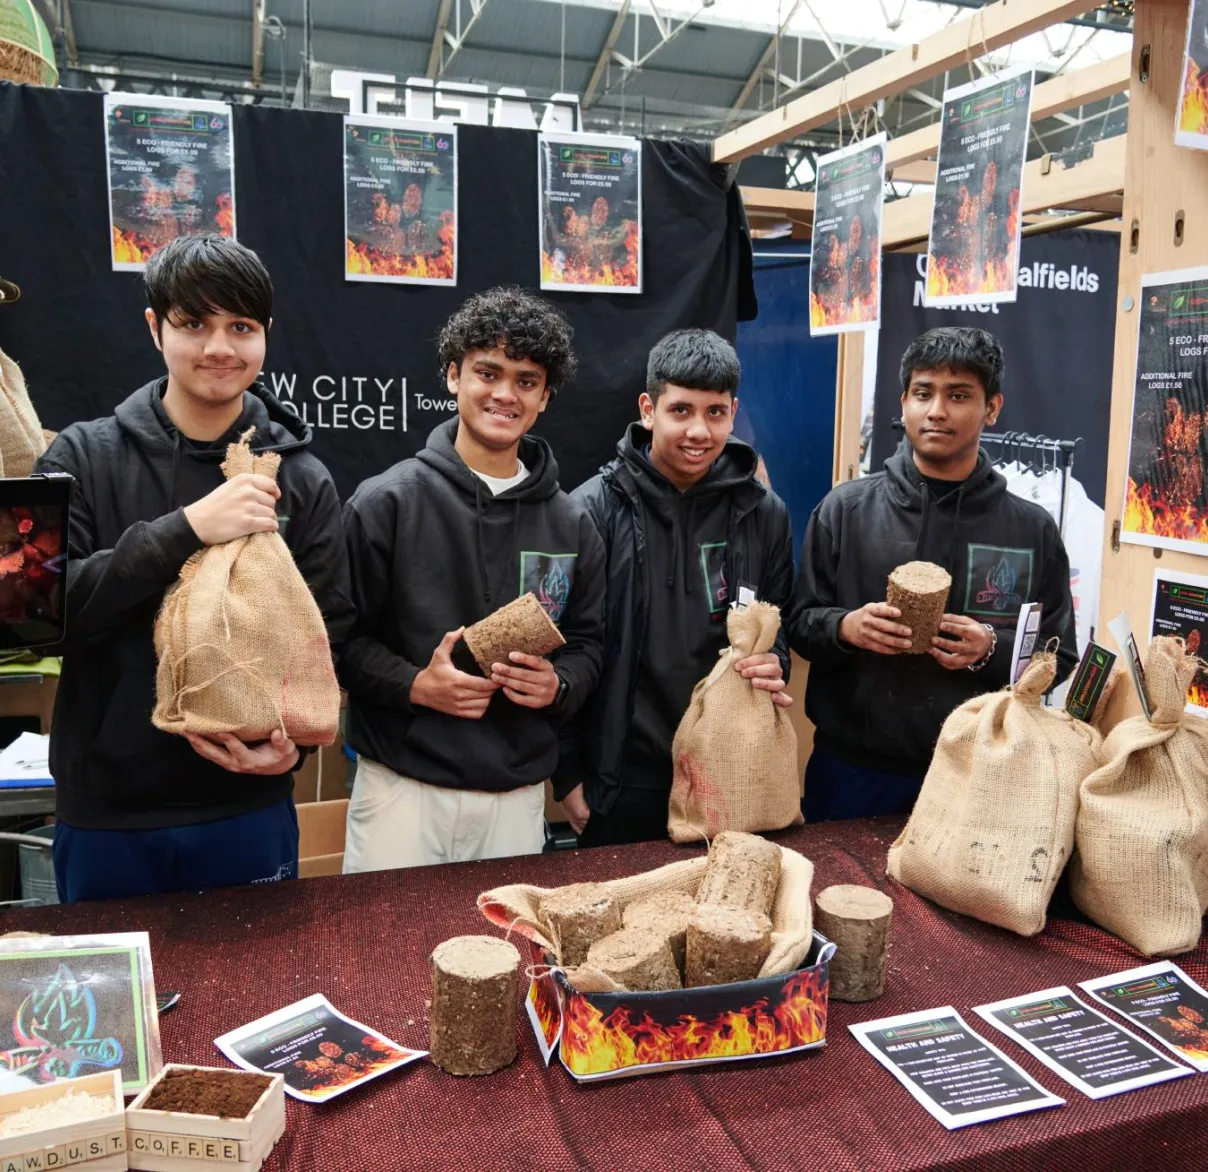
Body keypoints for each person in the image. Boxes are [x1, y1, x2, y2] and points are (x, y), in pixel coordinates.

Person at [36, 234, 354, 901]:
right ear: (156, 328)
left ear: (266, 334)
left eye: (240, 326)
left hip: (247, 807)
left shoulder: (301, 478)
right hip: (107, 817)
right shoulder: (84, 457)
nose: (219, 347)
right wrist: (186, 530)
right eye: (193, 323)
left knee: (258, 997)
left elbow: (329, 638)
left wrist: (293, 746)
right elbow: (47, 618)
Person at [339, 287, 605, 870]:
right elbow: (338, 644)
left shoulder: (572, 521)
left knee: (508, 959)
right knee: (384, 960)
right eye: (489, 372)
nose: (505, 394)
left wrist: (557, 687)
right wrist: (414, 685)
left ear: (544, 397)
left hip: (516, 800)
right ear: (454, 375)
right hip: (400, 792)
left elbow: (588, 645)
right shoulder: (385, 503)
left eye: (527, 380)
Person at [789, 326, 1077, 821]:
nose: (937, 411)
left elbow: (1060, 654)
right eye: (924, 393)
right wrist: (845, 627)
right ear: (903, 403)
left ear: (992, 408)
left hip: (979, 773)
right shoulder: (846, 510)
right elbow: (799, 623)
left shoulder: (1030, 529)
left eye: (959, 395)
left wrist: (991, 647)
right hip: (853, 773)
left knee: (951, 903)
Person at [556, 329, 794, 846]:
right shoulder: (590, 510)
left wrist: (775, 660)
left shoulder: (764, 513)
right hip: (621, 776)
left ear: (733, 412)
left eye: (715, 413)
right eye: (681, 410)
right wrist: (568, 770)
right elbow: (569, 647)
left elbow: (781, 625)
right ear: (648, 409)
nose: (699, 431)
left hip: (730, 767)